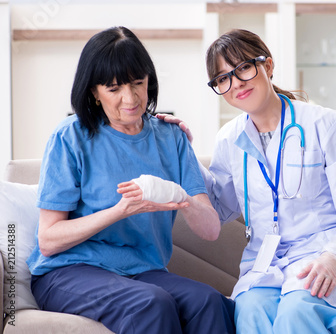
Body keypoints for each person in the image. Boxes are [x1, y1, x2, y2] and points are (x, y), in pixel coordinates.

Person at [160, 29, 336, 334]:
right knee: (248, 310)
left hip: (324, 255)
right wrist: (183, 150)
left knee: (296, 311)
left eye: (243, 68)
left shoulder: (327, 125)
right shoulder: (229, 139)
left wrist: (333, 258)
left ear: (267, 66)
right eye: (223, 79)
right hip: (267, 263)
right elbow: (219, 210)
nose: (236, 84)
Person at [26, 26, 235, 334]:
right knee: (151, 302)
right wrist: (120, 211)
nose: (131, 98)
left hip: (142, 271)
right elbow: (49, 239)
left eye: (138, 82)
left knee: (209, 301)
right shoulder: (70, 137)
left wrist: (181, 197)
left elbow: (210, 229)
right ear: (94, 92)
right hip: (70, 271)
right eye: (113, 89)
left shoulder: (171, 137)